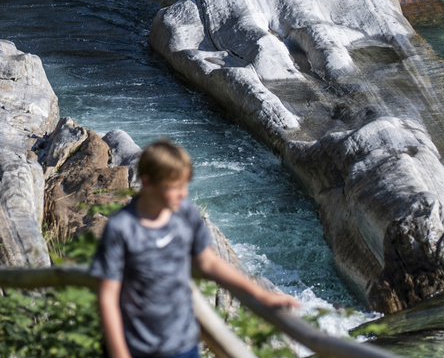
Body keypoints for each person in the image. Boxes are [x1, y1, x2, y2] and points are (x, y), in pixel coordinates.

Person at [92, 140, 298, 358]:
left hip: (182, 344)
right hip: (136, 347)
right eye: (175, 187)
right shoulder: (122, 228)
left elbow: (209, 262)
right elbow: (107, 297)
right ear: (148, 182)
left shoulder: (185, 214)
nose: (184, 193)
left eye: (186, 185)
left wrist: (260, 295)